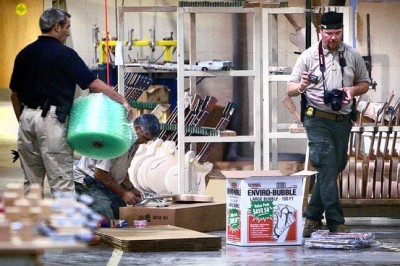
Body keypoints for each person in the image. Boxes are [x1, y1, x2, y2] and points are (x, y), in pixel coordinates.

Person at [9, 7, 133, 196]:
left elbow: (14, 95)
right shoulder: (66, 54)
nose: (68, 31)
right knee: (61, 183)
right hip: (51, 120)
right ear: (56, 27)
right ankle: (66, 226)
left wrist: (23, 121)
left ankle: (32, 223)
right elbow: (93, 83)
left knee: (32, 183)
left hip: (27, 118)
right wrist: (121, 99)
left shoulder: (24, 54)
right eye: (67, 27)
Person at [286, 11, 370, 237]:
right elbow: (290, 89)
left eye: (337, 33)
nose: (333, 38)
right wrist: (302, 85)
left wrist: (352, 90)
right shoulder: (308, 56)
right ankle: (335, 221)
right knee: (326, 166)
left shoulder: (352, 55)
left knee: (336, 165)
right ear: (320, 31)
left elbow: (365, 83)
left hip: (342, 120)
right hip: (317, 119)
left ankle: (312, 217)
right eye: (329, 33)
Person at [73, 114, 160, 222]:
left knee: (121, 213)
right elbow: (100, 173)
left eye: (149, 140)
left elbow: (121, 169)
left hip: (103, 182)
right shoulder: (117, 140)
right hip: (88, 181)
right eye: (145, 137)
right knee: (105, 217)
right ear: (137, 128)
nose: (146, 142)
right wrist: (123, 194)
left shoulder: (134, 143)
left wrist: (131, 188)